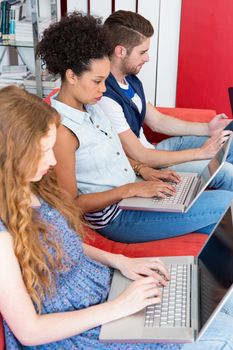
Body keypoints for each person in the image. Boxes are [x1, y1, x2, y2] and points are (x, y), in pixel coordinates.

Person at [0, 86, 233, 350]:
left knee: (217, 302)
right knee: (224, 332)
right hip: (80, 331)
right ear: (12, 155)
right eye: (43, 151)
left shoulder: (31, 188)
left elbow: (61, 243)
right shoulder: (2, 236)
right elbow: (30, 331)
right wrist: (119, 307)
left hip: (105, 296)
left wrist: (121, 261)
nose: (53, 160)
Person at [36, 12, 233, 244]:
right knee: (226, 202)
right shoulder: (62, 131)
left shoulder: (91, 106)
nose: (103, 89)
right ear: (71, 76)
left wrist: (142, 169)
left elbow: (113, 152)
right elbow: (69, 204)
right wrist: (128, 191)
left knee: (219, 208)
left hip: (134, 191)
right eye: (97, 81)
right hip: (117, 217)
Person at [98, 10, 233, 192]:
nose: (147, 58)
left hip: (156, 150)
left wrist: (208, 129)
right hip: (150, 165)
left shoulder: (129, 78)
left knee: (230, 142)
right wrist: (201, 153)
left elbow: (157, 121)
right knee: (225, 172)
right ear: (120, 51)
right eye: (142, 52)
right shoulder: (104, 97)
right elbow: (140, 155)